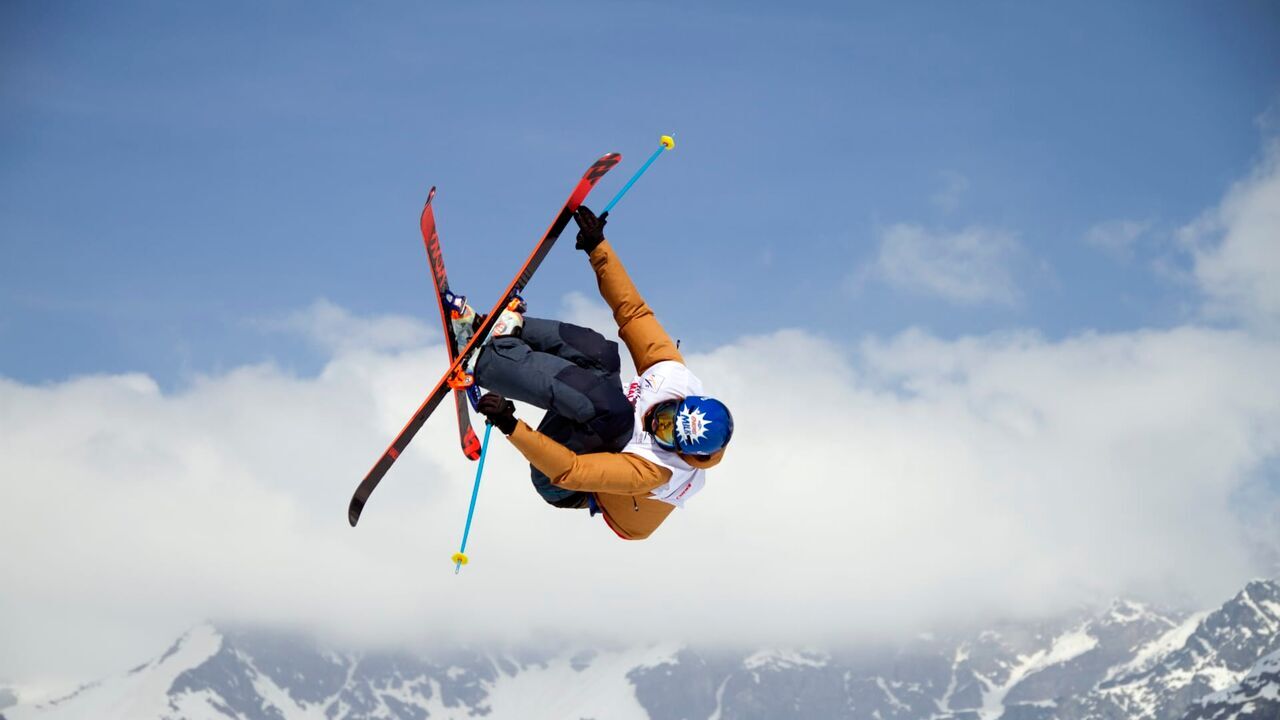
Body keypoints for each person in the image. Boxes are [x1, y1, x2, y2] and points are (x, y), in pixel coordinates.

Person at [448, 206, 733, 540]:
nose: (657, 425)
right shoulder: (673, 377)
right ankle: (505, 331)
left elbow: (571, 470)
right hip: (594, 428)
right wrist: (598, 248)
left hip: (567, 483)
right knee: (603, 355)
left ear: (682, 451)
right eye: (668, 416)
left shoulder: (656, 469)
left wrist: (512, 426)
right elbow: (633, 314)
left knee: (613, 412)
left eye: (668, 434)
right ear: (682, 400)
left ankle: (485, 362)